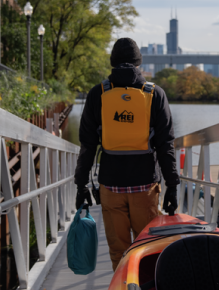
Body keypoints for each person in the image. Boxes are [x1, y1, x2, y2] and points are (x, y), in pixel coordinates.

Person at [74, 38, 179, 271]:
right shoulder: (155, 94)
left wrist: (81, 184)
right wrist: (172, 185)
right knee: (148, 251)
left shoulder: (97, 94)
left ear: (112, 62)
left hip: (110, 187)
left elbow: (87, 146)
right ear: (138, 63)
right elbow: (165, 145)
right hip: (145, 186)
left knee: (119, 254)